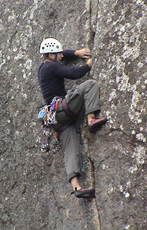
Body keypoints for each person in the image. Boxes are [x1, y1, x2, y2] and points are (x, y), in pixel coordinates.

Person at [38, 38, 107, 198]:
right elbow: (74, 74)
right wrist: (88, 64)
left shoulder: (45, 67)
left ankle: (76, 187)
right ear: (50, 54)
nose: (62, 56)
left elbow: (63, 55)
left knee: (71, 149)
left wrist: (76, 53)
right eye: (58, 54)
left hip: (56, 119)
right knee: (89, 85)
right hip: (62, 108)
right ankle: (91, 120)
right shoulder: (52, 66)